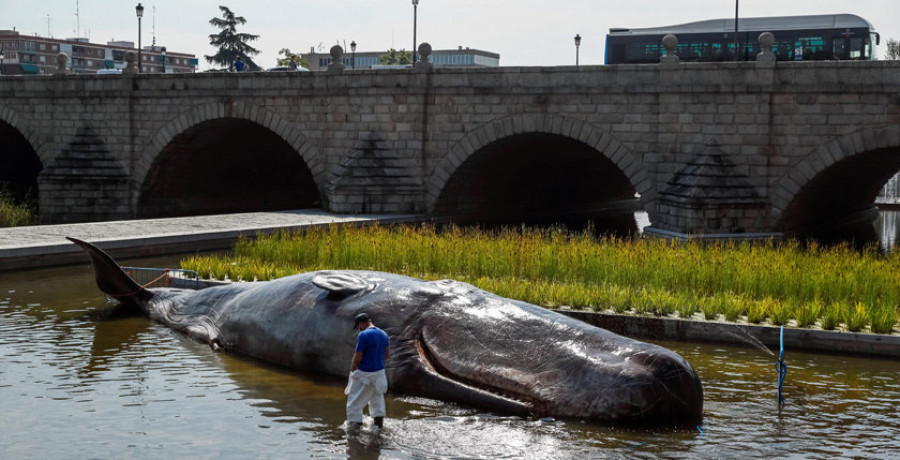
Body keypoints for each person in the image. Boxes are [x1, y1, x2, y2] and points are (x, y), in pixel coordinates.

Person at [346, 312, 390, 428]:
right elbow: (387, 355)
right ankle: (378, 429)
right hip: (380, 374)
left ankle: (355, 433)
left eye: (358, 327)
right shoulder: (384, 334)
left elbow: (358, 357)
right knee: (377, 402)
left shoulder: (363, 335)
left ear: (361, 324)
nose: (359, 330)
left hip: (364, 374)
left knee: (354, 404)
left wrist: (353, 371)